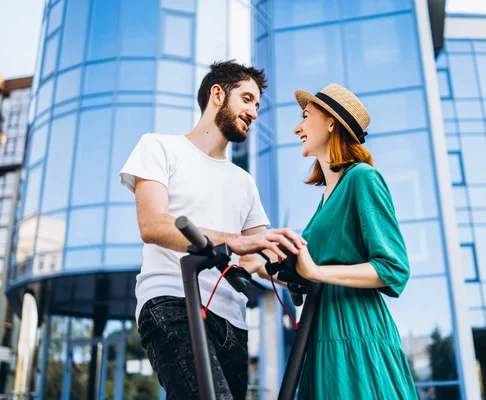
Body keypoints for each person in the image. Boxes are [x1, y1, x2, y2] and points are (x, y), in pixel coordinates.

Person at [118, 60, 306, 400]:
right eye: (247, 99)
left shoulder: (244, 182)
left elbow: (255, 259)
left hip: (233, 322)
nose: (254, 112)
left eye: (257, 105)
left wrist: (299, 272)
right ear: (217, 94)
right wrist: (235, 240)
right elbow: (153, 224)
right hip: (172, 304)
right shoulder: (160, 147)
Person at [292, 83, 418, 398]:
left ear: (331, 123)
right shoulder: (325, 200)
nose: (298, 128)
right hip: (322, 333)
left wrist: (315, 272)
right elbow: (310, 271)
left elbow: (393, 268)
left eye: (306, 117)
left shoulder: (362, 178)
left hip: (356, 332)